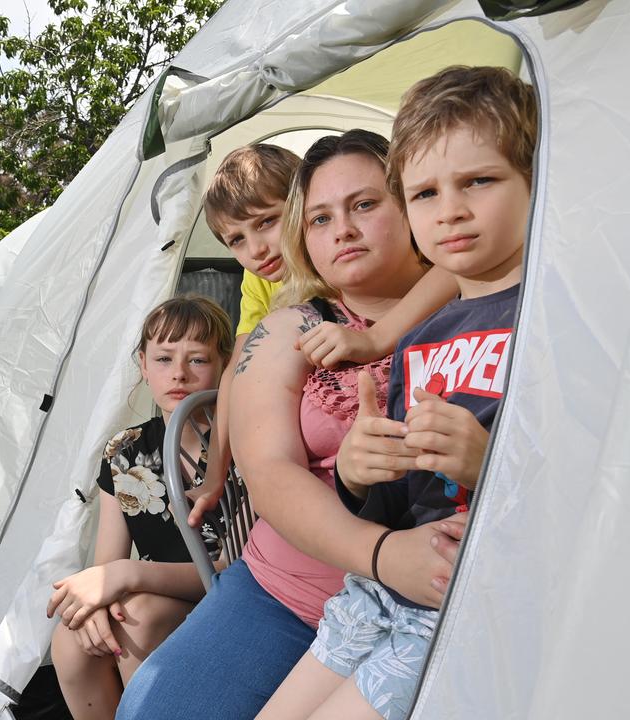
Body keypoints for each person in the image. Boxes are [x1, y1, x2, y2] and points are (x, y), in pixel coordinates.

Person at [116, 129, 458, 719]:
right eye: (320, 218)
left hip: (447, 598)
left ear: (413, 202)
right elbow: (270, 472)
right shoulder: (287, 329)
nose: (342, 230)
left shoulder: (480, 300)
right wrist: (382, 556)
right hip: (293, 594)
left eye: (365, 204)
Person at [257, 65, 537, 719]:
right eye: (425, 194)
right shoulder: (419, 341)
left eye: (479, 182)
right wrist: (358, 473)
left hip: (463, 602)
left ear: (535, 177)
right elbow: (395, 505)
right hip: (378, 593)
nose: (452, 211)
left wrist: (486, 463)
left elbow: (600, 485)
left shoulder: (551, 318)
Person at [188, 143, 459, 529]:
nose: (257, 249)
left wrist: (379, 336)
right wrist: (215, 474)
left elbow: (449, 269)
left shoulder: (361, 271)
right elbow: (239, 363)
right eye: (236, 241)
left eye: (267, 222)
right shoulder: (267, 285)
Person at [47, 296, 234, 720]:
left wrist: (127, 574)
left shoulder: (241, 443)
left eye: (198, 359)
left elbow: (234, 567)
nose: (179, 374)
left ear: (224, 363)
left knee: (138, 617)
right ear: (143, 365)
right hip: (150, 595)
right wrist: (94, 606)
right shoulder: (124, 450)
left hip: (227, 595)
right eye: (164, 359)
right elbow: (107, 563)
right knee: (70, 637)